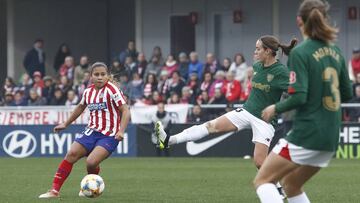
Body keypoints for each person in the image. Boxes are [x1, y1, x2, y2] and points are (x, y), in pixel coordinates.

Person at [155, 35, 296, 194]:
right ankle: (168, 140)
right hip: (246, 111)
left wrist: (278, 107)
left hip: (264, 120)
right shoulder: (257, 67)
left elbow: (296, 93)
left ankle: (278, 188)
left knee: (259, 162)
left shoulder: (281, 72)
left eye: (258, 49)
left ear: (268, 51)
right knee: (210, 126)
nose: (254, 52)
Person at [253, 1, 353, 203]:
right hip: (331, 136)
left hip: (308, 133)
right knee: (291, 185)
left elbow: (299, 97)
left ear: (299, 20)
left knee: (263, 180)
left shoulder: (300, 52)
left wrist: (275, 107)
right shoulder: (336, 51)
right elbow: (347, 93)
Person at [39, 62, 130, 198]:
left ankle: (90, 186)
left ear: (107, 76)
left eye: (103, 74)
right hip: (91, 131)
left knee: (91, 162)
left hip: (109, 135)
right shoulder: (88, 91)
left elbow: (125, 110)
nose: (100, 77)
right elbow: (80, 107)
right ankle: (54, 191)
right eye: (96, 74)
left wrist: (121, 131)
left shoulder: (112, 90)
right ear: (91, 77)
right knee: (71, 154)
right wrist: (66, 123)